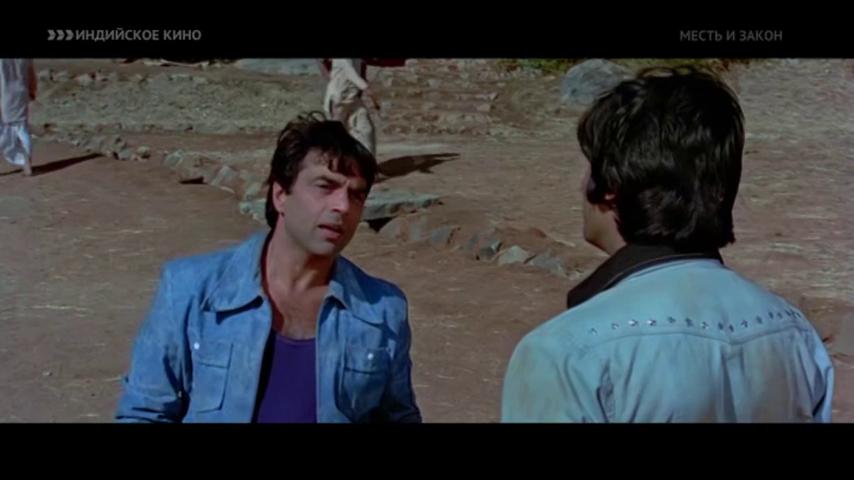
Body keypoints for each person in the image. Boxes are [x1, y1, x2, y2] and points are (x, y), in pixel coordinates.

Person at [501, 66, 834, 422]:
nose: (580, 185)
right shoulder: (795, 333)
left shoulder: (565, 351)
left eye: (588, 168)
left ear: (610, 185)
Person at [116, 112, 421, 423]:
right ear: (280, 195)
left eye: (356, 195)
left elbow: (400, 418)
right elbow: (144, 413)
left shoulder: (382, 311)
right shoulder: (191, 291)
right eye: (325, 186)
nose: (342, 206)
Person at [322, 58, 379, 156]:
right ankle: (331, 161)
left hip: (353, 99)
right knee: (337, 135)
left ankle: (368, 161)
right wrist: (366, 88)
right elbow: (350, 72)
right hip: (338, 100)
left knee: (366, 129)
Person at [0, 59, 37, 176]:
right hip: (21, 92)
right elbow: (31, 74)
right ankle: (27, 162)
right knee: (22, 128)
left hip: (5, 94)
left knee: (3, 130)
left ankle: (21, 159)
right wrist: (32, 90)